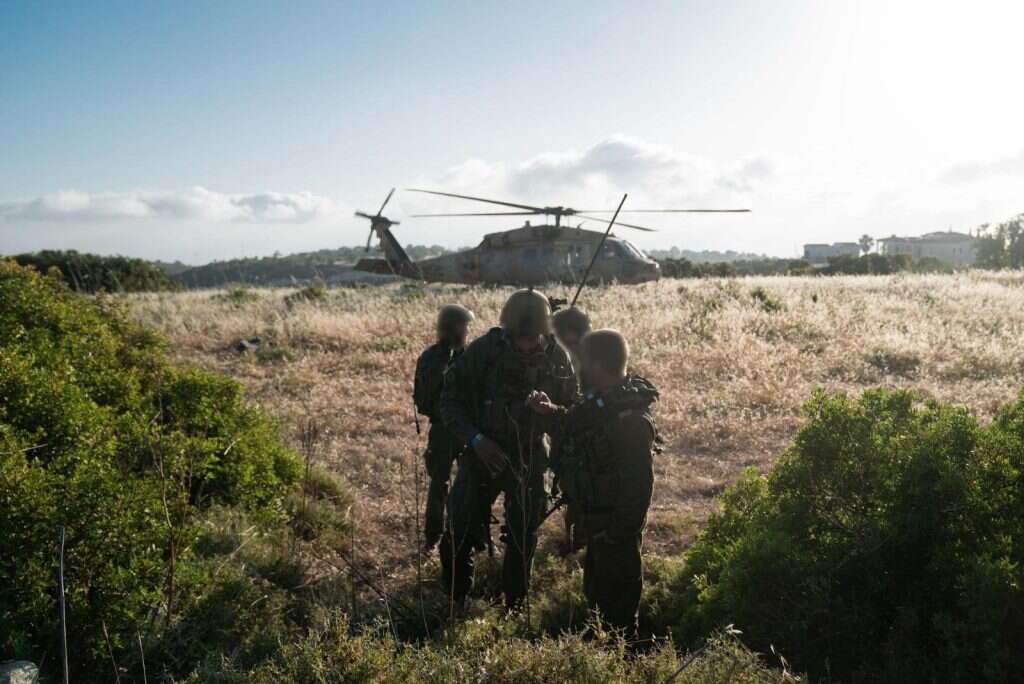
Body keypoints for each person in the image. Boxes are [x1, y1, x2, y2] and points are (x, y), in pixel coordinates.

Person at [439, 289, 578, 609]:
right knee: (457, 526)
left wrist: (551, 409)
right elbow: (449, 401)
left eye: (533, 338)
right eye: (520, 338)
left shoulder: (558, 359)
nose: (527, 345)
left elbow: (573, 415)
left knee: (524, 532)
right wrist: (475, 440)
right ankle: (456, 600)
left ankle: (515, 604)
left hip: (529, 453)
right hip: (481, 452)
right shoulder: (484, 351)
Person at [553, 329, 659, 637]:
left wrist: (616, 534)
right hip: (599, 525)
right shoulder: (602, 406)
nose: (581, 369)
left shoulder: (631, 422)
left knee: (620, 614)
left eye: (586, 362)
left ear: (598, 365)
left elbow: (639, 490)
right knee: (598, 605)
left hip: (616, 532)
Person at [413, 304, 475, 553]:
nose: (467, 330)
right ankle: (434, 536)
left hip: (463, 427)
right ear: (452, 328)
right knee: (440, 483)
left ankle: (458, 533)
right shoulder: (436, 359)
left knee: (464, 482)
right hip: (445, 429)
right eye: (463, 326)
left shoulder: (466, 355)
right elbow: (426, 399)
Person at [551, 306, 592, 552]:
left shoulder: (588, 358)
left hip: (582, 430)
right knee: (570, 487)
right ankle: (575, 535)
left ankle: (578, 538)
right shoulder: (560, 354)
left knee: (579, 488)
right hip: (567, 428)